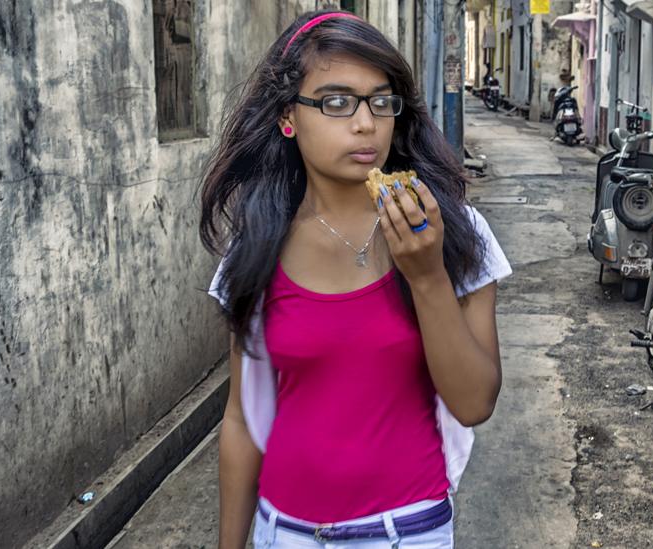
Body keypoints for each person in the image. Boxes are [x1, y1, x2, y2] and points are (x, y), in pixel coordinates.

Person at [199, 10, 512, 549]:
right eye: (337, 102)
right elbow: (243, 419)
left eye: (381, 101)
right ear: (287, 117)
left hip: (407, 532)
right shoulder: (258, 245)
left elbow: (475, 402)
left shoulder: (454, 231)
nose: (366, 123)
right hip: (284, 533)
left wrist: (427, 275)